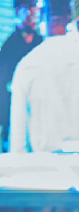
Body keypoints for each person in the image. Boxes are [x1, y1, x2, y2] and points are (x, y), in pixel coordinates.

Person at [9, 0, 79, 153]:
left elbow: (18, 141)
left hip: (41, 172)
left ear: (43, 16)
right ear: (70, 16)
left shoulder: (26, 66)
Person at [0, 0, 42, 152]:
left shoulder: (41, 43)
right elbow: (3, 88)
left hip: (40, 116)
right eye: (28, 8)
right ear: (18, 11)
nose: (33, 13)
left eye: (35, 8)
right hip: (14, 118)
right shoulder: (9, 47)